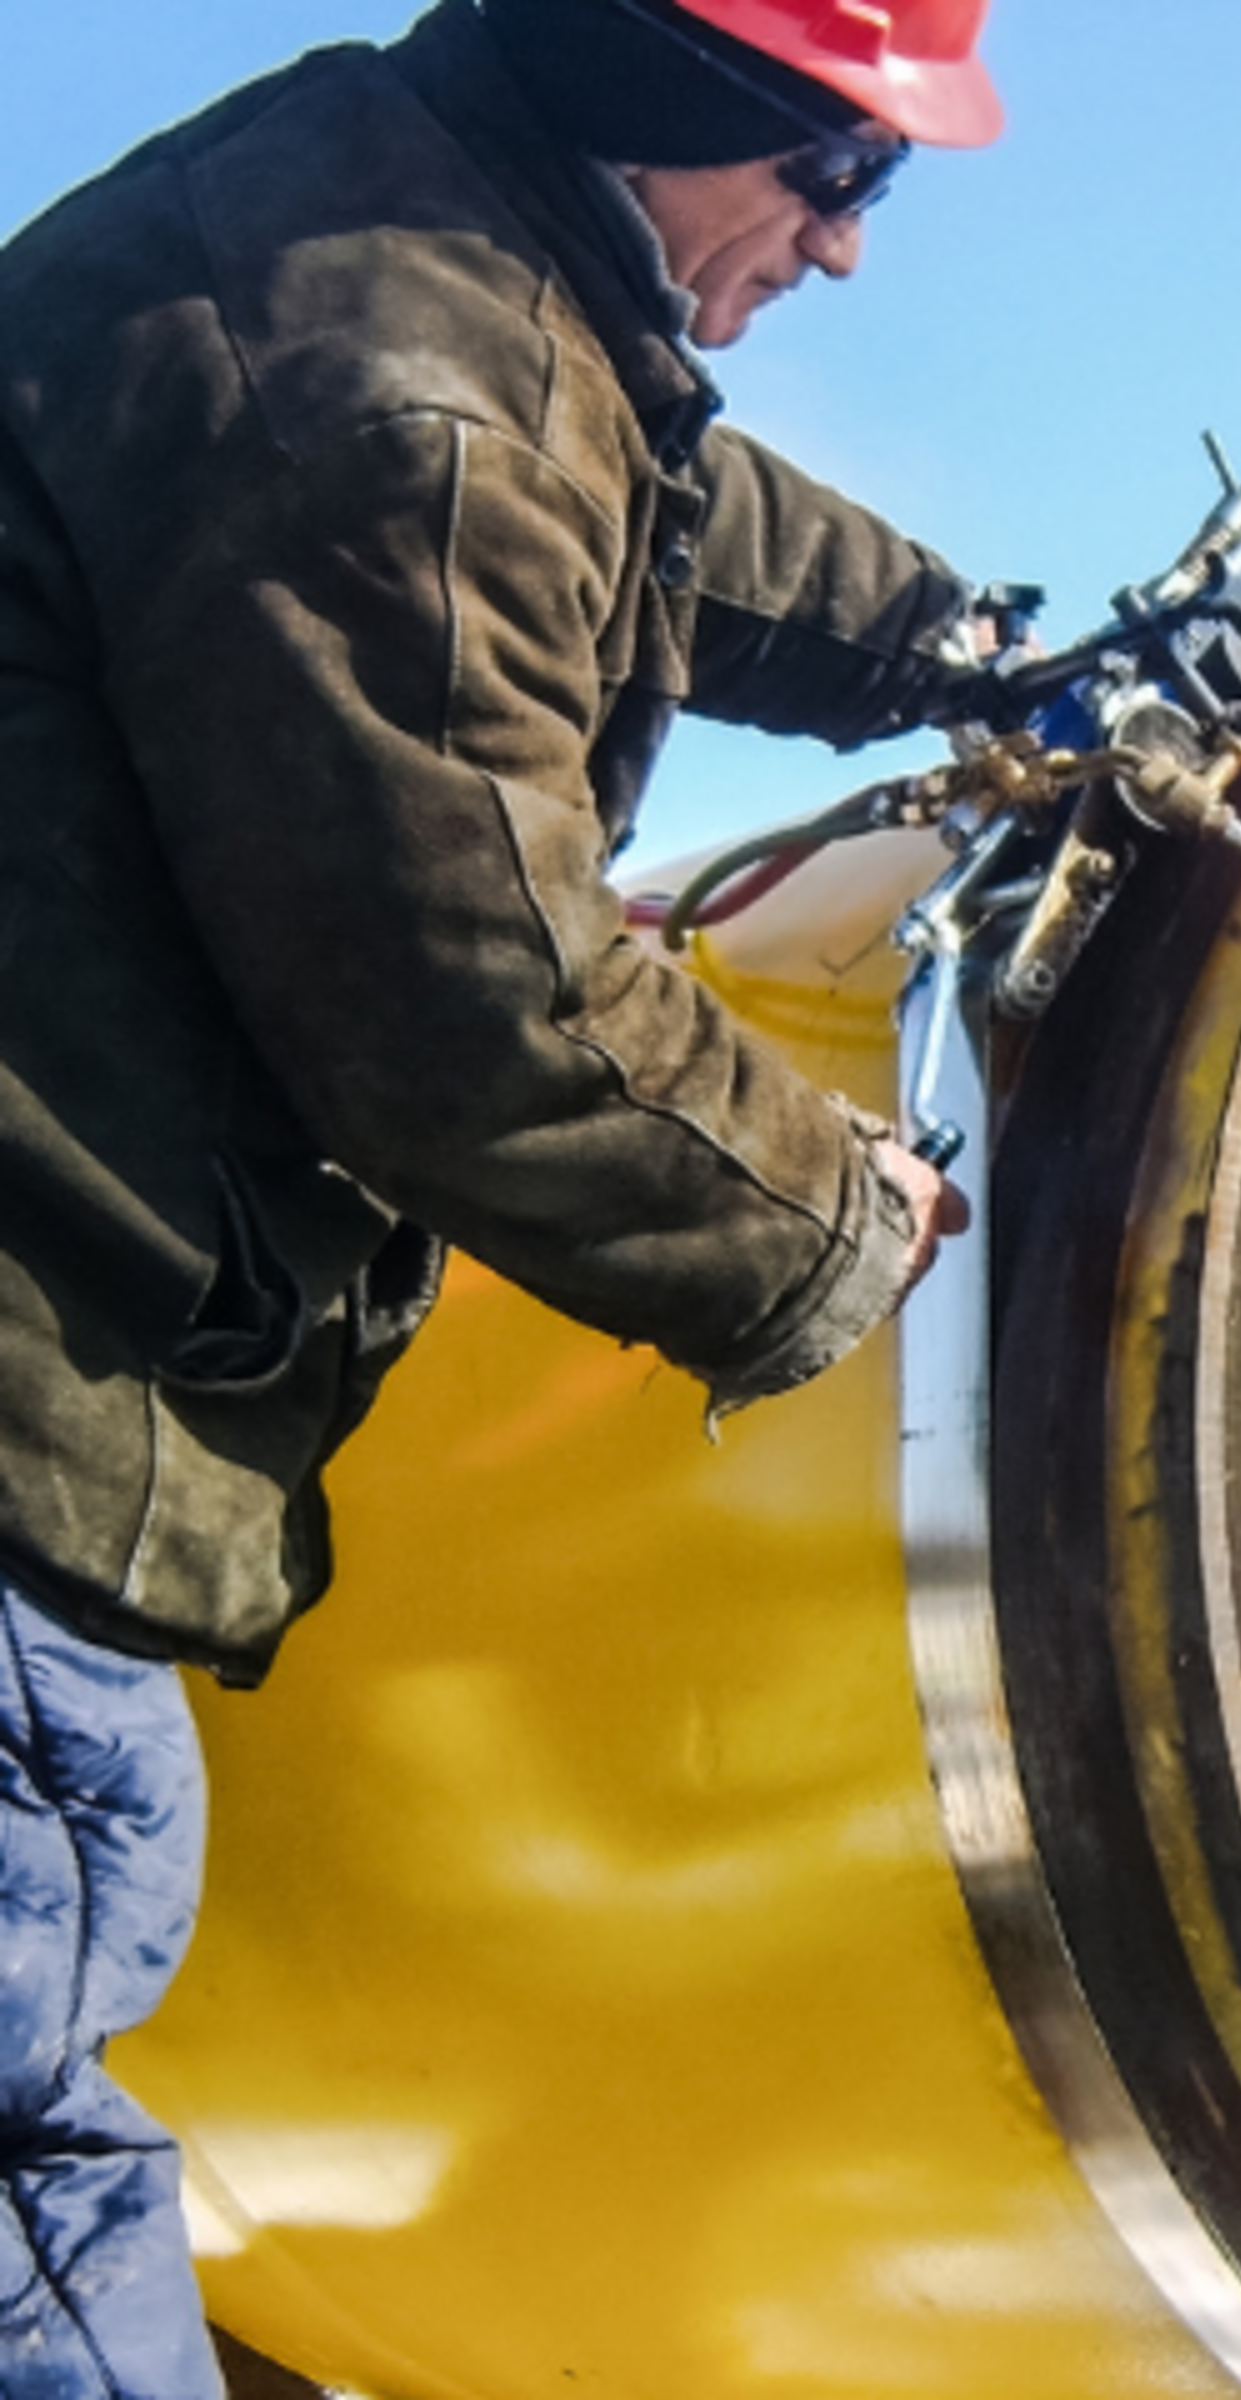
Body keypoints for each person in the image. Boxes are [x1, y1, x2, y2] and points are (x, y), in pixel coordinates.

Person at [0, 0, 997, 2388]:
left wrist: (968, 650)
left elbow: (653, 512)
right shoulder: (399, 399)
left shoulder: (408, 224)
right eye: (837, 176)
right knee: (26, 2173)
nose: (844, 253)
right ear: (674, 103)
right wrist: (840, 1215)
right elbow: (489, 1012)